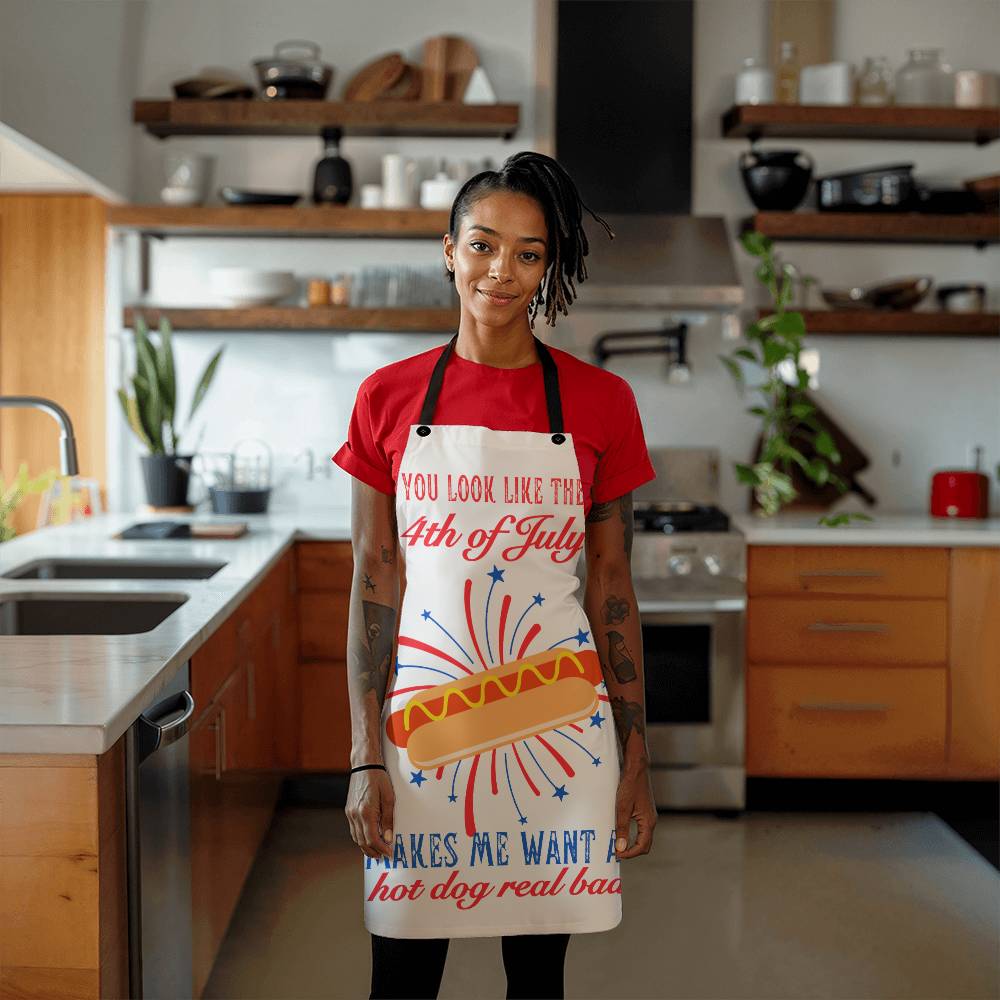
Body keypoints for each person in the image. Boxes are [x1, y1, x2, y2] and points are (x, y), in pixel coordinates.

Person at [332, 150, 658, 1000]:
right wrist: (367, 756)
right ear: (448, 250)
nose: (501, 273)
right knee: (401, 975)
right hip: (422, 737)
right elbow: (374, 579)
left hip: (556, 730)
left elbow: (612, 592)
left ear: (550, 267)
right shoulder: (386, 399)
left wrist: (636, 757)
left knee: (537, 982)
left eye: (528, 253)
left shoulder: (601, 403)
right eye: (482, 245)